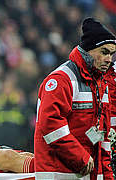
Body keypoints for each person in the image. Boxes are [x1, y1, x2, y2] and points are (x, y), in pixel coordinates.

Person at [34, 17, 116, 179]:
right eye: (104, 52)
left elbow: (102, 135)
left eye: (112, 54)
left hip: (89, 174)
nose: (109, 60)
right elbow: (50, 126)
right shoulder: (61, 79)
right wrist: (80, 157)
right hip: (59, 173)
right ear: (88, 50)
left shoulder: (102, 83)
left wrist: (106, 174)